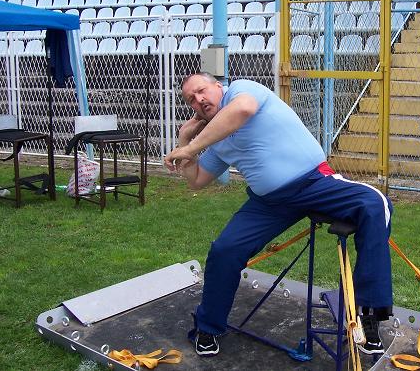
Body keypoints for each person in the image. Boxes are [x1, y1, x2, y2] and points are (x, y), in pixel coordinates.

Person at [164, 72, 394, 358]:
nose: (199, 99)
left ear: (218, 86)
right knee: (225, 250)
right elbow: (196, 180)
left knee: (375, 204)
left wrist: (191, 146)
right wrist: (184, 139)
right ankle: (208, 327)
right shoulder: (216, 138)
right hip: (269, 203)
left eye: (202, 90)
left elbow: (243, 109)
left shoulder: (242, 89)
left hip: (314, 183)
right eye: (191, 99)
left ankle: (367, 315)